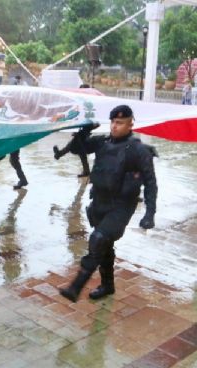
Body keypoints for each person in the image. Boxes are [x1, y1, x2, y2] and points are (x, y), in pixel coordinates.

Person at [59, 107, 157, 302]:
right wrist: (84, 131)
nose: (114, 126)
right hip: (99, 203)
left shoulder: (138, 150)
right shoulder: (103, 142)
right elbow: (77, 149)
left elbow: (150, 182)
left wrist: (149, 213)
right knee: (105, 246)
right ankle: (107, 285)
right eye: (112, 121)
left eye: (120, 122)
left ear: (131, 124)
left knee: (97, 240)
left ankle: (76, 286)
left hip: (121, 205)